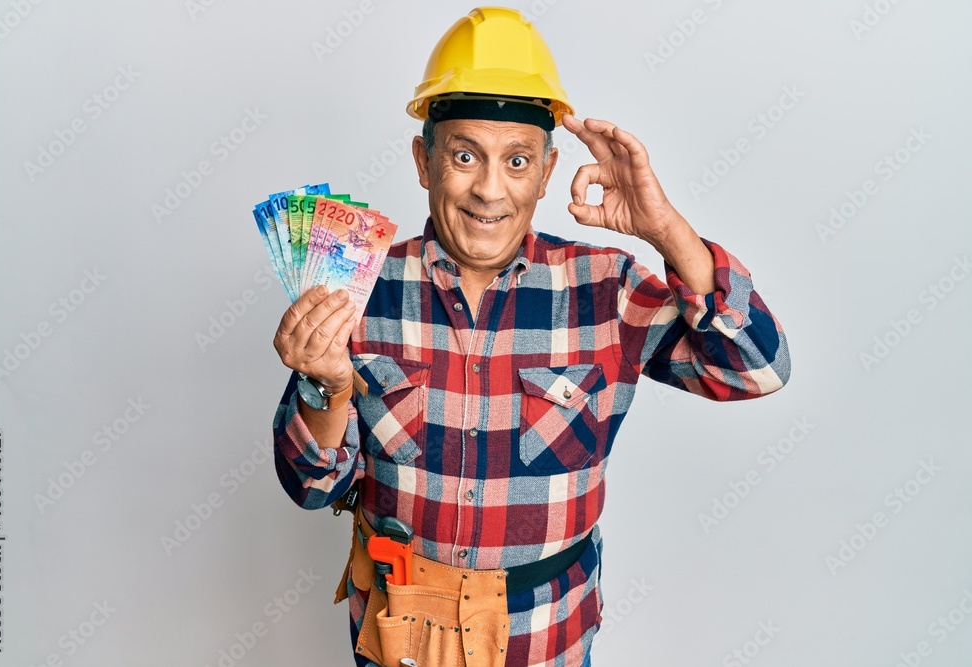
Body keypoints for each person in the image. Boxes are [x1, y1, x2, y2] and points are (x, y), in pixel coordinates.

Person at [271, 7, 790, 666]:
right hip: (399, 635)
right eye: (464, 155)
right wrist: (326, 385)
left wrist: (667, 230)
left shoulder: (609, 289)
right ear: (423, 161)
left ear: (545, 172)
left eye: (516, 160)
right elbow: (312, 487)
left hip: (547, 639)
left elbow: (759, 368)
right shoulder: (357, 286)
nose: (490, 188)